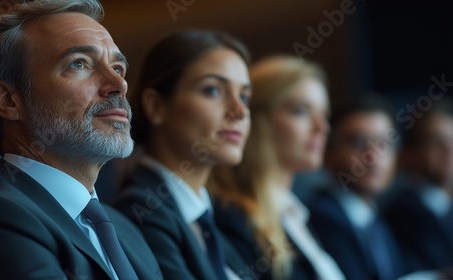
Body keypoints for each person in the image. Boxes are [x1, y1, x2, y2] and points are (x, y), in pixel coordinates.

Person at [0, 1, 162, 279]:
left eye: (118, 68)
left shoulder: (125, 228)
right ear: (8, 100)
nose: (119, 84)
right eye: (79, 64)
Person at [114, 30, 254, 279]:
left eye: (244, 96)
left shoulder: (211, 217)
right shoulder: (142, 212)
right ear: (156, 106)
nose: (240, 111)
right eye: (213, 90)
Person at [209, 55, 344, 280]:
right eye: (301, 111)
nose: (323, 128)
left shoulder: (296, 214)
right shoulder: (233, 218)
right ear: (256, 117)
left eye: (324, 115)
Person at [307, 94, 404, 280]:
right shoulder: (320, 218)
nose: (373, 157)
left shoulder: (376, 223)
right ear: (328, 151)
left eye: (384, 144)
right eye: (359, 143)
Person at [385, 98, 453, 274]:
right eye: (436, 140)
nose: (448, 149)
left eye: (452, 139)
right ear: (409, 152)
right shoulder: (397, 214)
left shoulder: (446, 207)